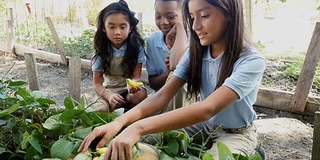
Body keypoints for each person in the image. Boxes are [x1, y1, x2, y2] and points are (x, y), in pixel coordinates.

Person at [78, 0, 267, 159]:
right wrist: (119, 123)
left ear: (229, 13)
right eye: (192, 18)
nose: (195, 26)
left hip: (235, 132)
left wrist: (138, 127)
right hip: (203, 127)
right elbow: (161, 96)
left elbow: (207, 108)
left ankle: (250, 150)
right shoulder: (196, 52)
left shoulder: (251, 61)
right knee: (142, 143)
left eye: (204, 16)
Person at [91, 0, 147, 113]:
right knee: (100, 108)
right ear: (103, 28)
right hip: (110, 90)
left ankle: (130, 117)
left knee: (138, 96)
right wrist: (109, 95)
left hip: (130, 90)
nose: (117, 32)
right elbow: (97, 84)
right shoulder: (100, 52)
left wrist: (133, 85)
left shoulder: (136, 48)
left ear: (130, 28)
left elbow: (136, 77)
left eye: (122, 27)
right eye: (112, 27)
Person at [146, 0, 189, 112]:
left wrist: (180, 27)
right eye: (158, 16)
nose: (164, 22)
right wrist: (168, 72)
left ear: (185, 14)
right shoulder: (152, 41)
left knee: (180, 84)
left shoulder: (195, 40)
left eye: (170, 16)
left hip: (188, 100)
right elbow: (153, 84)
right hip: (161, 97)